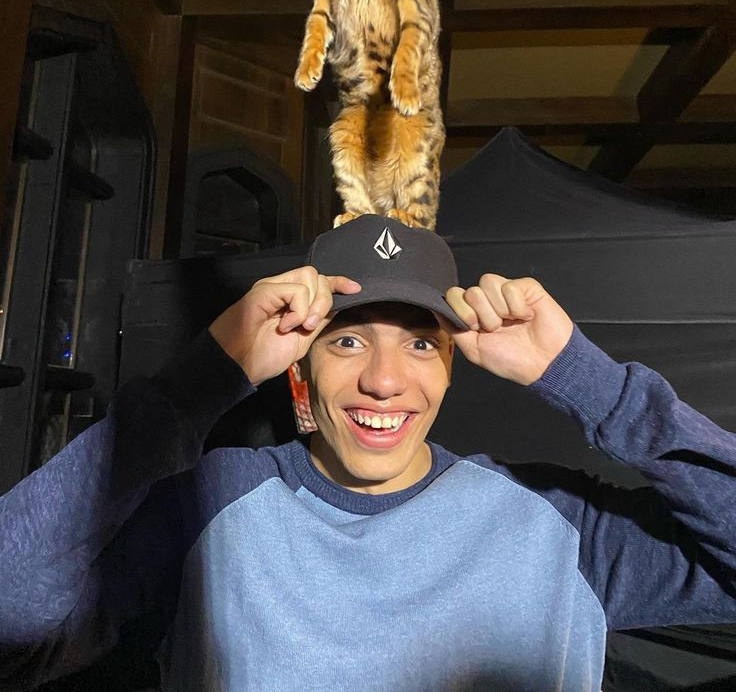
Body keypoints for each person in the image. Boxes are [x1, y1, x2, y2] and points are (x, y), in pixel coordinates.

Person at [1, 214, 735, 692]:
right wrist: (200, 381)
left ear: (451, 367)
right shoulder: (212, 501)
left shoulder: (555, 524)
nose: (385, 381)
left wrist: (596, 386)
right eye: (348, 339)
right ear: (299, 364)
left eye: (421, 343)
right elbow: (12, 617)